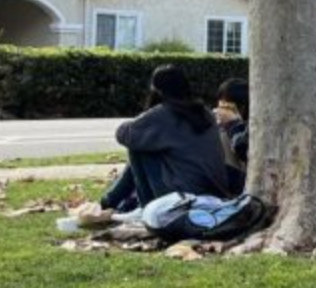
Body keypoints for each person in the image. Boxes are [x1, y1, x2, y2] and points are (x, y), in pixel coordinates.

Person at [98, 65, 232, 212]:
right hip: (214, 192)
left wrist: (147, 114)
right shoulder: (205, 112)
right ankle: (110, 200)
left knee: (139, 148)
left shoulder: (165, 113)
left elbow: (123, 133)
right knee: (144, 142)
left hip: (184, 196)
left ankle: (130, 204)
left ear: (157, 90)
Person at [214, 78, 251, 194]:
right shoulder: (213, 124)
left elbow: (242, 150)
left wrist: (233, 124)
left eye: (228, 108)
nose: (223, 112)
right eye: (221, 106)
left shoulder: (248, 128)